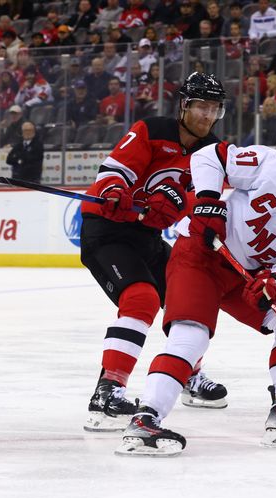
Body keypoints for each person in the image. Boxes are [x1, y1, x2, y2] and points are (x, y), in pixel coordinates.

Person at [115, 135, 276, 456]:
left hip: (247, 277)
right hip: (201, 255)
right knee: (191, 336)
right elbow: (209, 157)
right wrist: (208, 203)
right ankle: (145, 419)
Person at [80, 72, 230, 432]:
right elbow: (114, 170)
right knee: (141, 298)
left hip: (146, 235)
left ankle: (188, 375)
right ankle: (108, 391)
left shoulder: (212, 154)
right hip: (108, 229)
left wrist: (178, 205)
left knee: (187, 301)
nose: (207, 116)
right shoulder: (151, 130)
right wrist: (115, 193)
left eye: (214, 109)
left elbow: (199, 199)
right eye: (201, 107)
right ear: (184, 106)